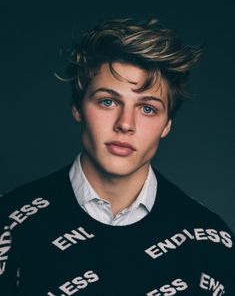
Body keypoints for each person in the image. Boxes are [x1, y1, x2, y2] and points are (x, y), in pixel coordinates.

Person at [0, 18, 234, 296]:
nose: (126, 124)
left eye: (147, 108)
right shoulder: (10, 221)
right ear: (77, 107)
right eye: (108, 101)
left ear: (167, 124)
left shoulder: (209, 239)